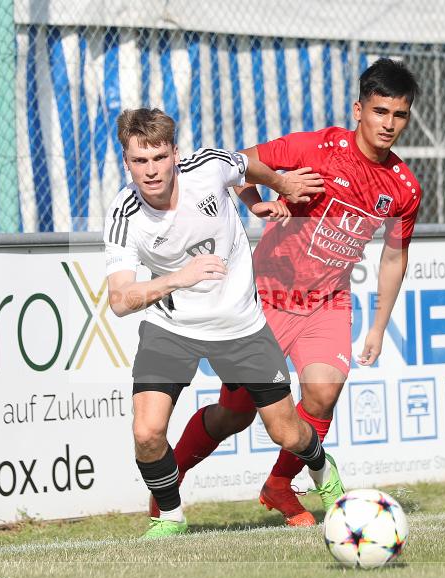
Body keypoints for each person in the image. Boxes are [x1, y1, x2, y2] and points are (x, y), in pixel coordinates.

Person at [154, 58, 422, 526]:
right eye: (381, 112)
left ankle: (280, 485)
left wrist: (379, 325)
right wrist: (262, 201)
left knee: (322, 394)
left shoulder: (403, 188)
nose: (389, 125)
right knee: (233, 414)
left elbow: (394, 256)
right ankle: (171, 477)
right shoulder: (316, 148)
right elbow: (232, 166)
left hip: (328, 302)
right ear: (359, 109)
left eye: (399, 115)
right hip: (269, 297)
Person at [104, 107, 345, 538]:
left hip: (240, 326)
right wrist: (179, 278)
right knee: (147, 432)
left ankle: (325, 473)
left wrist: (281, 184)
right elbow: (120, 300)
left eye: (159, 157)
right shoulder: (125, 215)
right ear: (127, 163)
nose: (151, 170)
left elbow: (246, 166)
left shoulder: (209, 166)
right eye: (140, 161)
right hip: (172, 329)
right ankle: (171, 519)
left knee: (286, 432)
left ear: (175, 153)